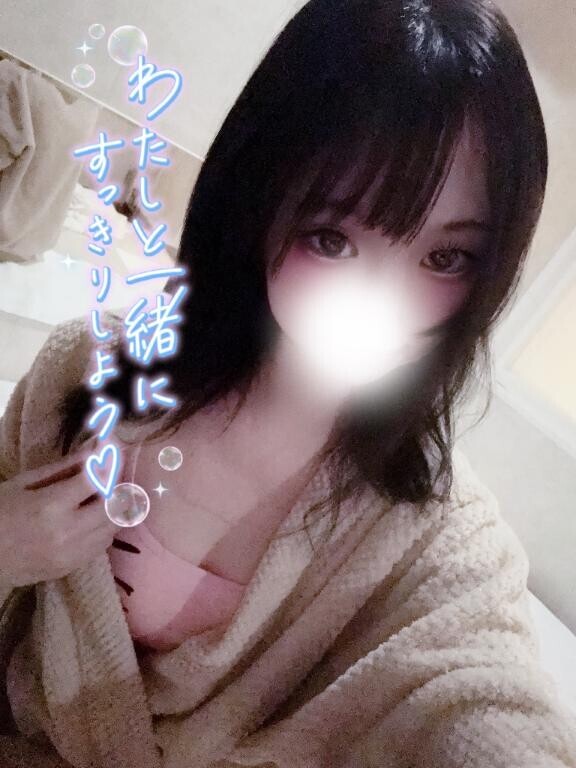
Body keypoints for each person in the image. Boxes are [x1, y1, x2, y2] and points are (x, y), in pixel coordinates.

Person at [1, 0, 575, 766]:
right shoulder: (88, 367)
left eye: (445, 258)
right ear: (260, 206)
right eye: (332, 239)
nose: (382, 304)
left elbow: (479, 697)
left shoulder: (434, 532)